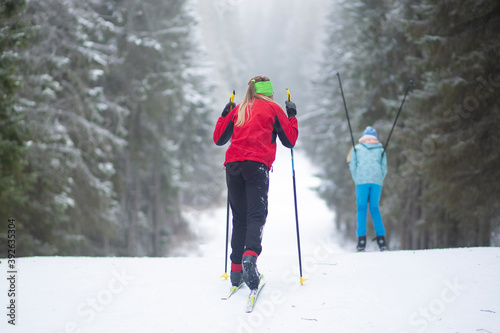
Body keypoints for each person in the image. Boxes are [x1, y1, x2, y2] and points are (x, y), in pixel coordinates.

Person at [213, 75, 298, 290]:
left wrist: (224, 113)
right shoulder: (273, 109)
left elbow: (219, 139)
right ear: (269, 91)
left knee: (239, 218)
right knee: (256, 215)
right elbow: (290, 141)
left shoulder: (238, 109)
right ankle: (250, 257)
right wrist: (292, 116)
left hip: (233, 167)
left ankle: (235, 271)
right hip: (256, 166)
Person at [348, 126, 388, 251]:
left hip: (361, 181)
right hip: (376, 181)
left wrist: (357, 179)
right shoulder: (381, 150)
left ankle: (361, 241)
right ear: (374, 138)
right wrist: (379, 179)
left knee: (361, 209)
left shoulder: (356, 149)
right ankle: (381, 240)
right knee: (374, 208)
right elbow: (384, 168)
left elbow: (352, 165)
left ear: (363, 137)